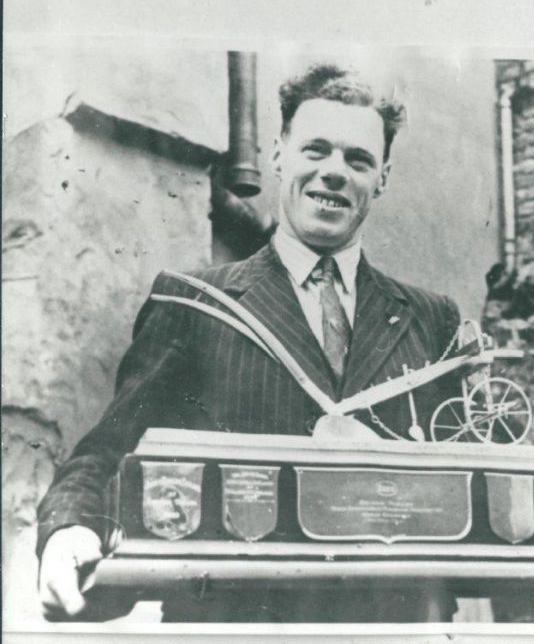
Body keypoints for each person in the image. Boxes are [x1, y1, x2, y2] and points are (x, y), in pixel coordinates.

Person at [36, 63, 462, 622]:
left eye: (357, 159)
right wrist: (70, 529)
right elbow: (107, 451)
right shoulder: (195, 303)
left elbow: (466, 467)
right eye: (315, 150)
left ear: (382, 175)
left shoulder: (432, 320)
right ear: (280, 155)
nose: (334, 171)